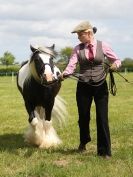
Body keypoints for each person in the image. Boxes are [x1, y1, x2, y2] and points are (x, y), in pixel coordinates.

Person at [62, 21, 121, 159]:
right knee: (83, 116)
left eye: (80, 35)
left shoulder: (103, 45)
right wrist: (65, 73)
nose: (78, 38)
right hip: (83, 85)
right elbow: (71, 65)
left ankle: (104, 151)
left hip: (101, 86)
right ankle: (84, 141)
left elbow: (117, 59)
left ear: (88, 33)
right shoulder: (77, 49)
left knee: (102, 117)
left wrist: (115, 66)